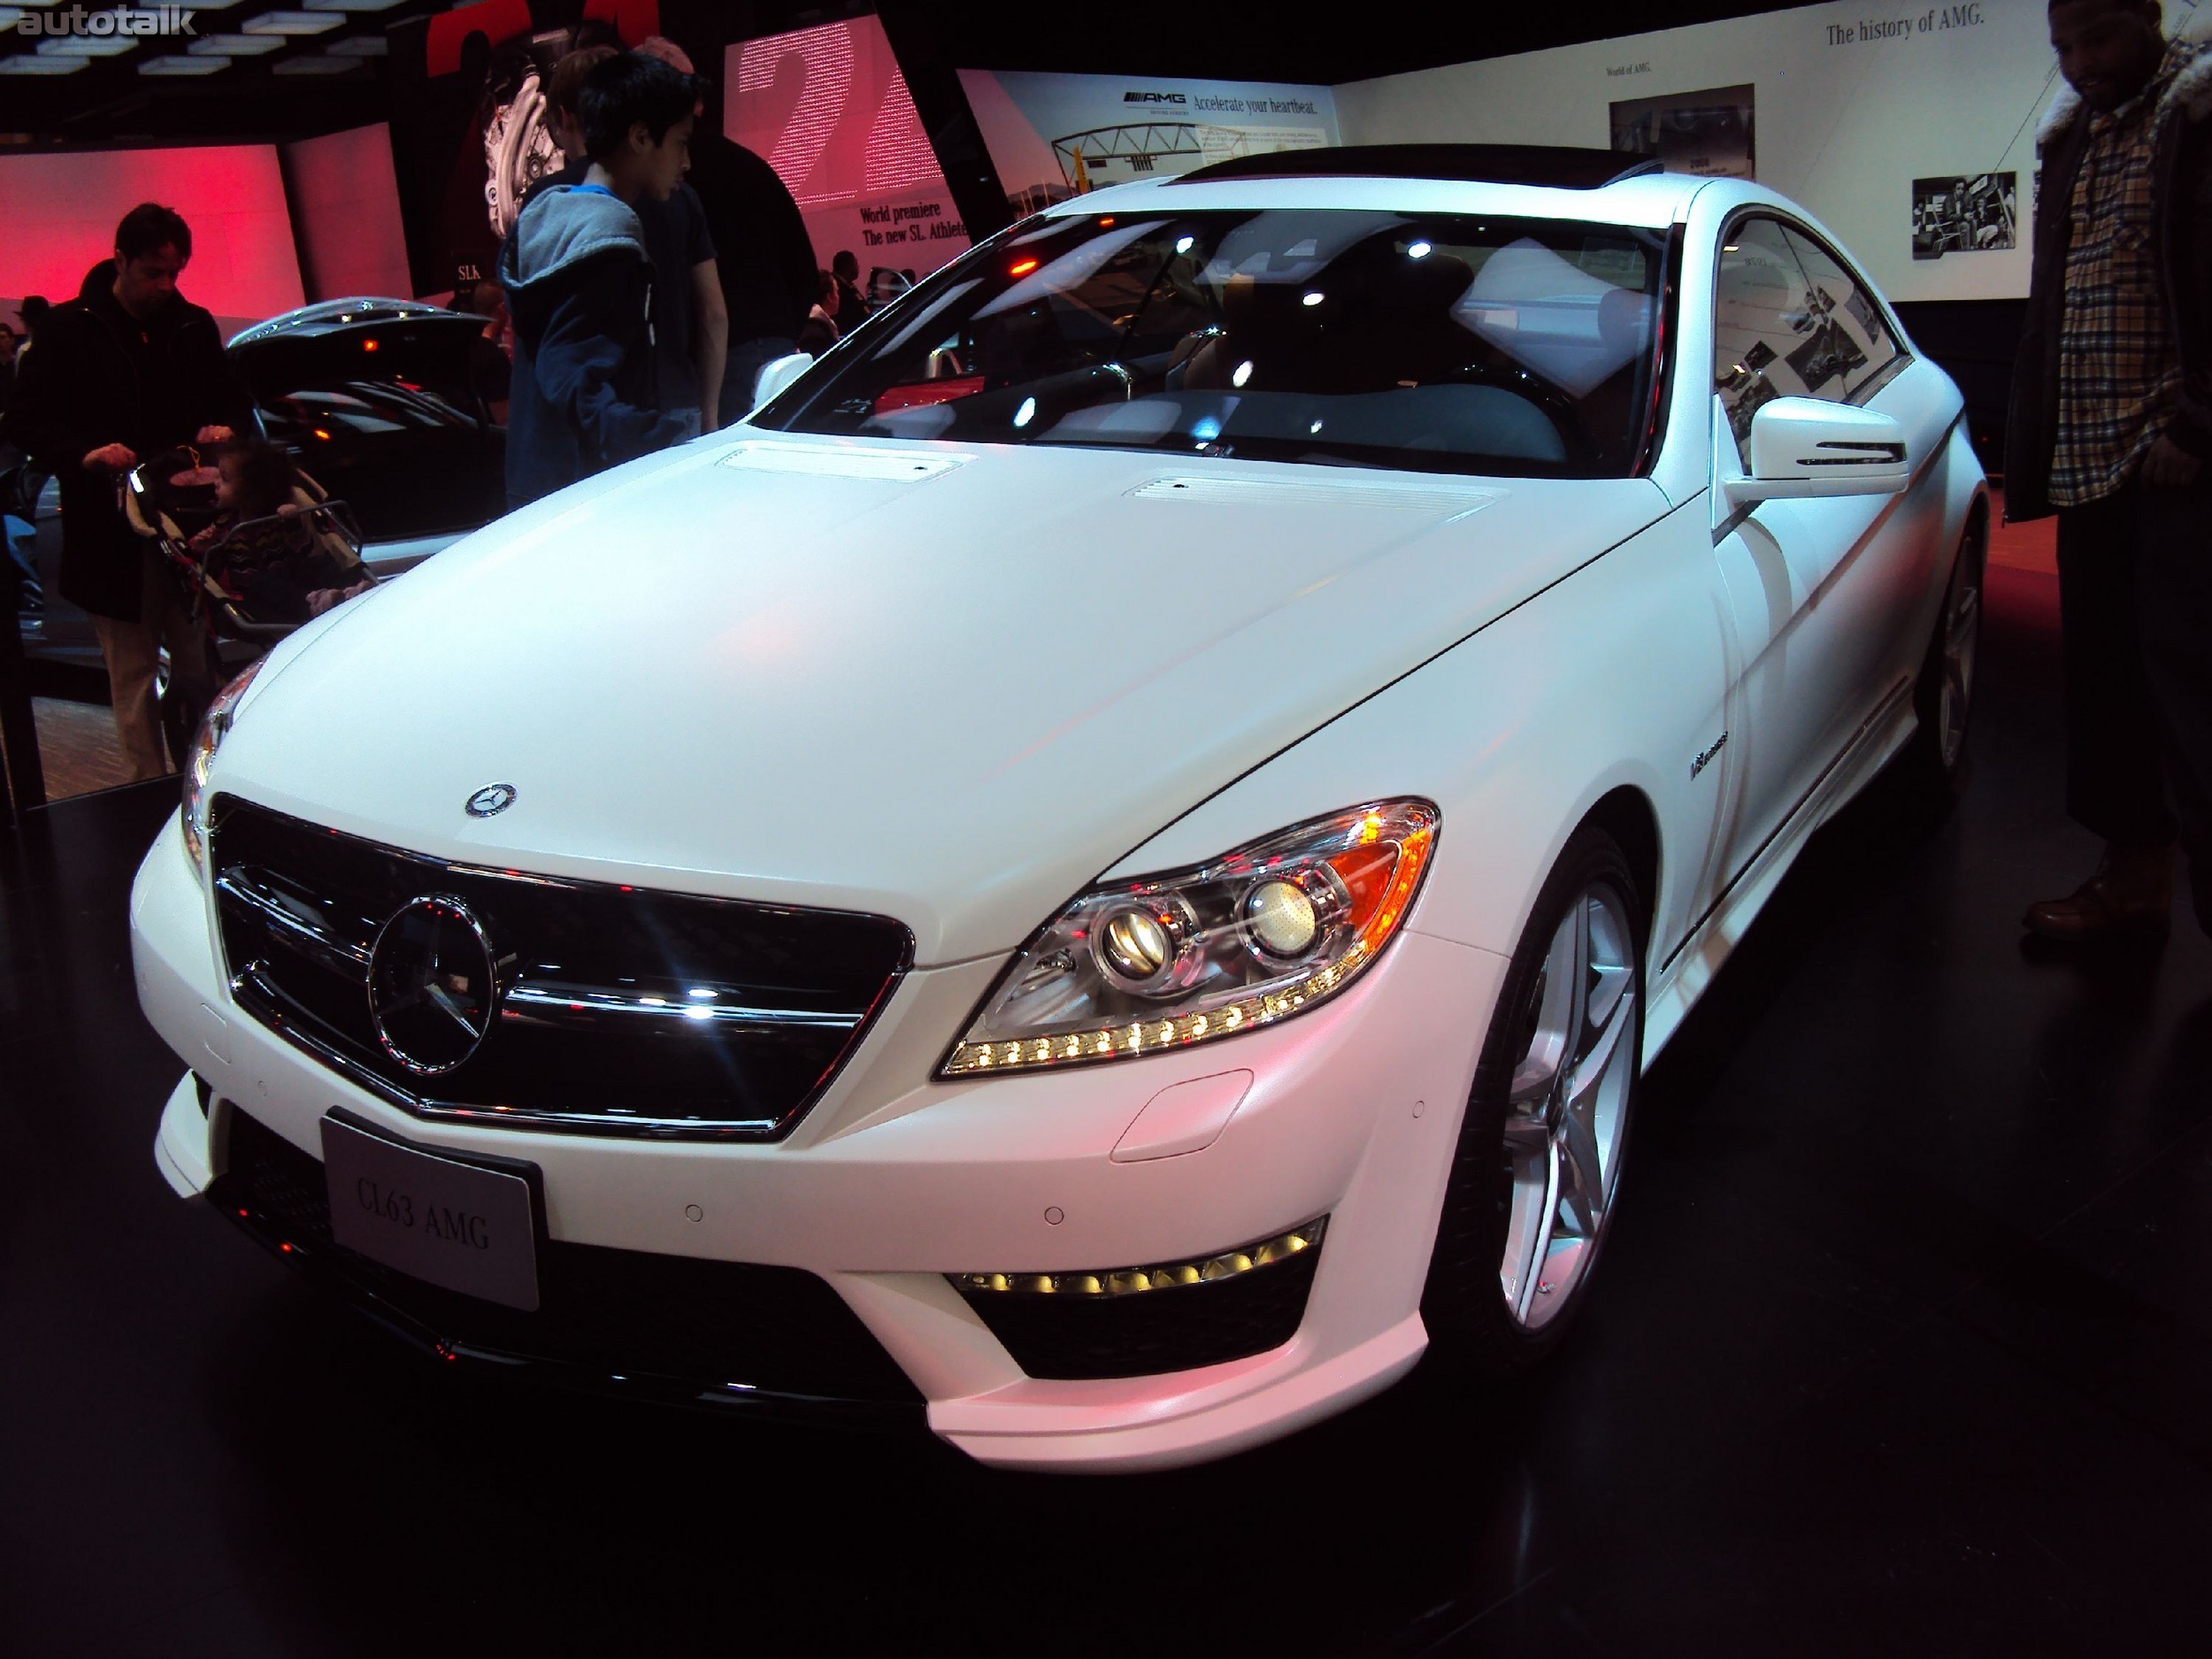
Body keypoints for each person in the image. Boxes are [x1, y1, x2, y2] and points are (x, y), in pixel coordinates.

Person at [2008, 0, 2212, 943]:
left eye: (2094, 39)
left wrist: (2201, 425)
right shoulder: (2079, 140)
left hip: (2175, 465)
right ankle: (2133, 881)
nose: (2078, 62)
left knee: (2193, 699)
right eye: (2062, 47)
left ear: (2144, 17)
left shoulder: (2196, 115)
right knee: (2111, 692)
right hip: (2089, 458)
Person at [0, 205, 246, 779]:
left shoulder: (192, 326)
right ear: (121, 260)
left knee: (199, 672)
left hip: (188, 529)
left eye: (174, 274)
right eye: (153, 272)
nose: (164, 286)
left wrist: (223, 427)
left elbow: (230, 398)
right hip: (108, 533)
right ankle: (144, 792)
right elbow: (22, 420)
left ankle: (208, 782)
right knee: (132, 676)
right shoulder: (67, 332)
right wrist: (83, 454)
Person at [498, 51, 703, 506]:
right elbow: (572, 373)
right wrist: (654, 438)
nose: (686, 162)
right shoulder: (607, 242)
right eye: (681, 143)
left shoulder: (550, 218)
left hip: (539, 478)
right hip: (583, 490)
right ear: (640, 137)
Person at [523, 43, 727, 431]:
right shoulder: (640, 212)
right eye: (680, 144)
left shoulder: (547, 204)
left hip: (604, 430)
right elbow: (713, 313)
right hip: (632, 423)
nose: (686, 163)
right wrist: (708, 415)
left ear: (564, 117)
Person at [631, 35, 814, 423]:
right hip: (775, 349)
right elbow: (802, 266)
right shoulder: (749, 166)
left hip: (712, 361)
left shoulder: (659, 180)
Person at [796, 270, 841, 357]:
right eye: (837, 292)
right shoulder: (815, 333)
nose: (839, 297)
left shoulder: (815, 325)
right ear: (829, 297)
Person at [829, 250, 869, 334]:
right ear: (848, 266)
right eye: (855, 264)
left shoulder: (849, 285)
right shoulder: (835, 287)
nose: (858, 267)